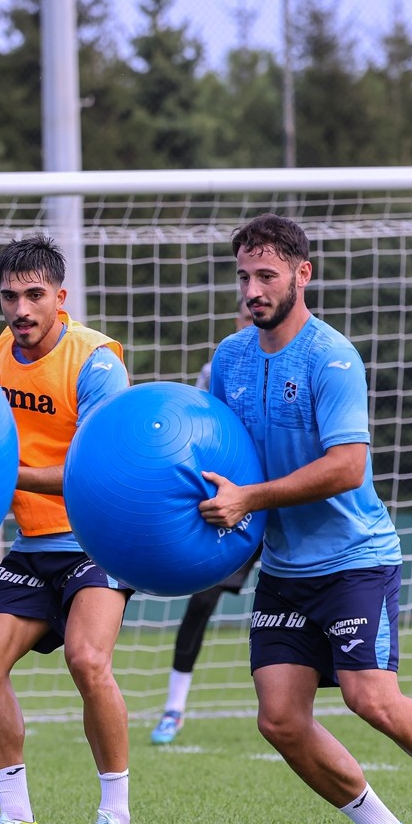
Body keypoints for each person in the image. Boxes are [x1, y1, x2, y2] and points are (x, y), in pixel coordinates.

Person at [199, 213, 412, 824]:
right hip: (284, 568)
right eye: (244, 277)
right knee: (280, 720)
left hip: (355, 558)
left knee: (370, 698)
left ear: (301, 274)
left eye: (266, 275)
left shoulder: (331, 356)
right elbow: (207, 443)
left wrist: (248, 499)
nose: (253, 290)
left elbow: (348, 466)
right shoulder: (229, 359)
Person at [0, 234, 135, 824]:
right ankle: (15, 821)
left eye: (35, 295)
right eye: (10, 296)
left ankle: (115, 821)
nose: (21, 309)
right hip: (35, 545)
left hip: (97, 536)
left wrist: (2, 474)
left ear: (61, 298)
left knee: (89, 661)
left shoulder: (96, 364)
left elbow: (98, 471)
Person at [151, 300, 259, 744]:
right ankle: (174, 709)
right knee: (201, 602)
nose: (251, 323)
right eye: (244, 317)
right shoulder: (217, 370)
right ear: (236, 322)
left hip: (285, 499)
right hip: (235, 503)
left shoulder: (297, 365)